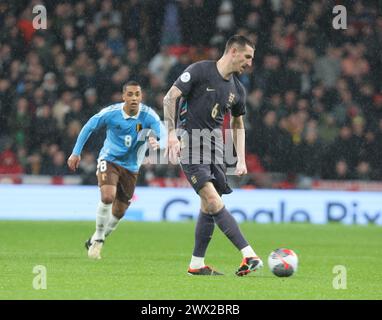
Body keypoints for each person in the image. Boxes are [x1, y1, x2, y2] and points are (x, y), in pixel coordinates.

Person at [163, 35, 263, 276]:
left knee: (208, 206)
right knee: (212, 198)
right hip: (191, 142)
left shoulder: (238, 89)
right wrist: (171, 134)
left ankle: (196, 265)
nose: (249, 63)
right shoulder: (199, 70)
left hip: (215, 147)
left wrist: (240, 158)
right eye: (247, 57)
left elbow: (238, 124)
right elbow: (170, 97)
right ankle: (248, 254)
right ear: (234, 52)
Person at [67, 81, 166, 259]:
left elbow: (163, 133)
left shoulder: (148, 115)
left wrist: (157, 140)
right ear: (123, 97)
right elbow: (89, 126)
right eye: (130, 94)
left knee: (119, 211)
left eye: (137, 94)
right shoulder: (111, 113)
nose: (134, 98)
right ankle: (98, 238)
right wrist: (76, 153)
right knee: (107, 196)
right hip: (109, 159)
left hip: (131, 167)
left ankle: (97, 238)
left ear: (141, 96)